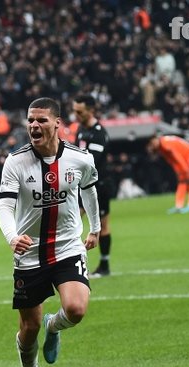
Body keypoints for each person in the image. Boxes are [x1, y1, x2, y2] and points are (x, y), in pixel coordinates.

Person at [0, 97, 101, 367]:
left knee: (76, 310)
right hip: (29, 253)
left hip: (68, 245)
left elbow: (90, 191)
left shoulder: (80, 159)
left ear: (58, 124)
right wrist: (12, 237)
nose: (34, 125)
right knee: (28, 329)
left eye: (41, 120)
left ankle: (53, 327)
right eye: (30, 120)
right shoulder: (15, 162)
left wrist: (94, 228)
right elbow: (5, 208)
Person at [72, 94, 111, 277]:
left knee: (102, 224)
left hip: (98, 185)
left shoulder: (99, 133)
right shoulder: (80, 129)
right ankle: (74, 263)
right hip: (80, 185)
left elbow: (92, 162)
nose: (76, 115)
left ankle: (104, 264)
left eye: (79, 112)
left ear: (91, 110)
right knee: (72, 220)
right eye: (74, 111)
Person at [146, 134, 189, 214]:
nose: (153, 145)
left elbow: (176, 156)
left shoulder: (165, 143)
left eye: (153, 143)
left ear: (156, 139)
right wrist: (178, 171)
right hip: (184, 157)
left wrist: (185, 169)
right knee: (182, 180)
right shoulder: (161, 147)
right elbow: (171, 160)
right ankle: (179, 206)